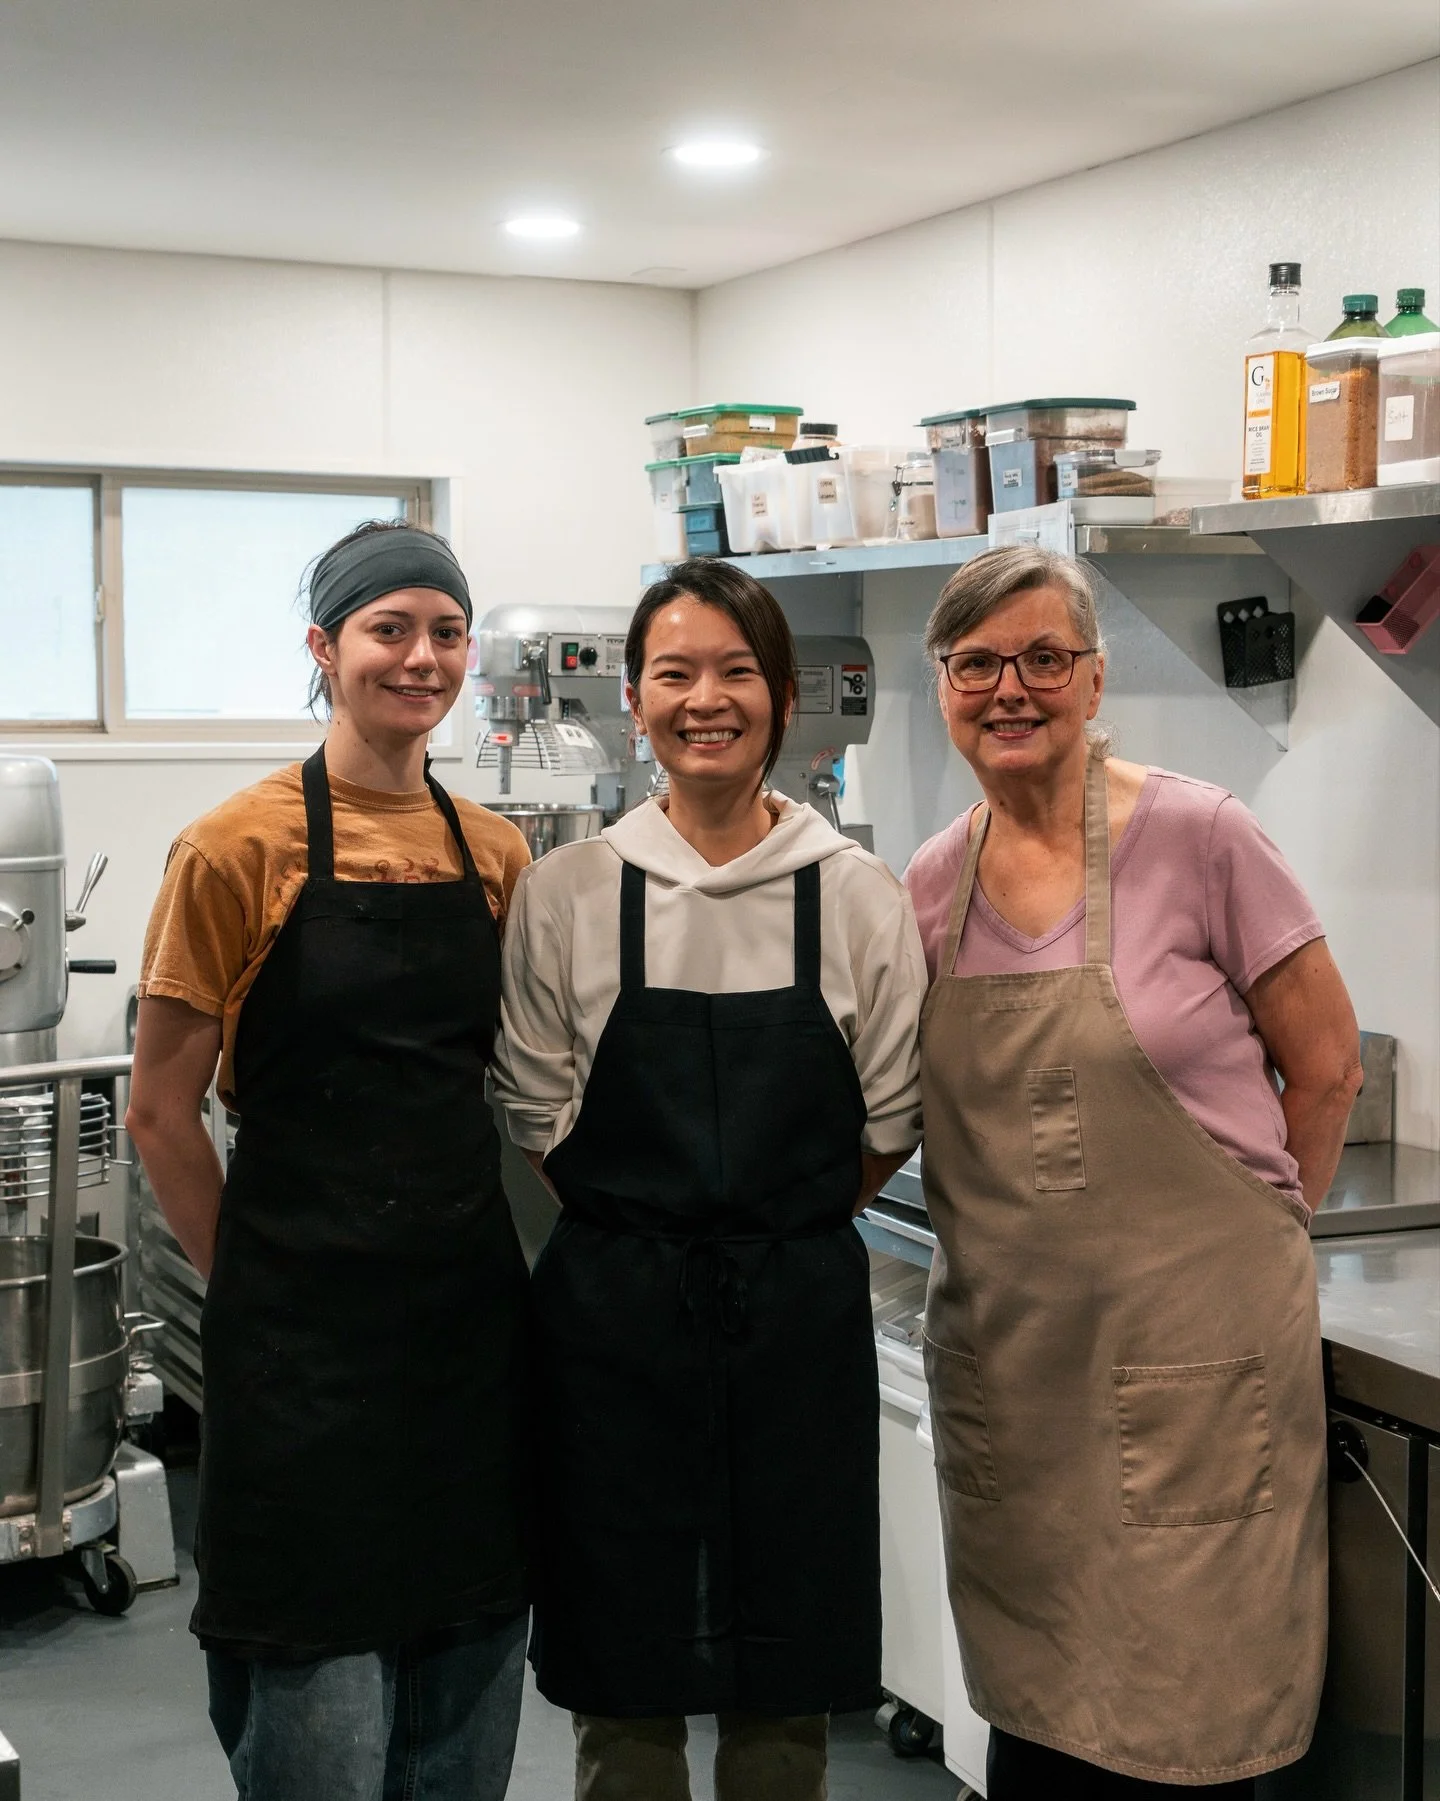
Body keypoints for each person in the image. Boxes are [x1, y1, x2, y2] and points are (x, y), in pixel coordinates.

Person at [905, 546, 1361, 1798]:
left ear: (1095, 679)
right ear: (943, 684)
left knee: (1186, 1745)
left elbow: (1326, 1068)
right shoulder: (931, 885)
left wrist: (1258, 1236)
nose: (1014, 688)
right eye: (979, 663)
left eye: (1045, 659)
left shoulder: (1204, 835)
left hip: (1198, 1382)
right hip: (1022, 1390)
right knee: (1039, 1743)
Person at [492, 558, 928, 1801]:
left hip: (794, 1321)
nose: (706, 699)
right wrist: (653, 1232)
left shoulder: (855, 896)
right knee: (623, 1675)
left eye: (737, 671)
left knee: (784, 1674)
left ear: (783, 697)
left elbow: (891, 1114)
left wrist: (773, 1229)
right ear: (634, 698)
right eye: (675, 672)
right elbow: (534, 1108)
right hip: (615, 1326)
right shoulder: (569, 892)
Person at [126, 520, 533, 1801]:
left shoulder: (496, 851)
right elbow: (159, 1109)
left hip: (466, 1327)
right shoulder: (235, 847)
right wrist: (245, 1281)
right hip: (301, 1337)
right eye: (390, 629)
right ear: (326, 646)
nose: (421, 659)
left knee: (469, 1663)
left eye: (446, 632)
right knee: (316, 1704)